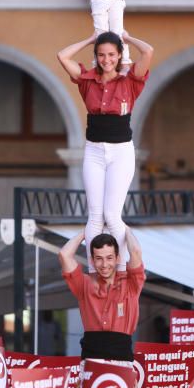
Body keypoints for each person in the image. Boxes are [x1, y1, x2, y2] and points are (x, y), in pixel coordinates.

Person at [57, 30, 154, 270]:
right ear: (96, 56)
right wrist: (90, 39)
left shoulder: (130, 80)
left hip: (121, 152)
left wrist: (128, 38)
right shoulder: (87, 79)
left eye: (111, 54)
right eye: (101, 55)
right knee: (94, 216)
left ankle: (119, 269)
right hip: (94, 151)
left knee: (111, 215)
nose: (106, 59)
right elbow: (62, 56)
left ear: (120, 55)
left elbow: (148, 51)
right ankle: (94, 269)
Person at [59, 228, 145, 361]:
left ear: (117, 258)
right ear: (92, 261)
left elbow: (136, 251)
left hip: (122, 360)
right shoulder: (84, 284)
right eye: (99, 258)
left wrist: (125, 229)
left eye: (109, 258)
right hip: (90, 360)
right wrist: (87, 231)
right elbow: (64, 254)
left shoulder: (130, 285)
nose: (104, 264)